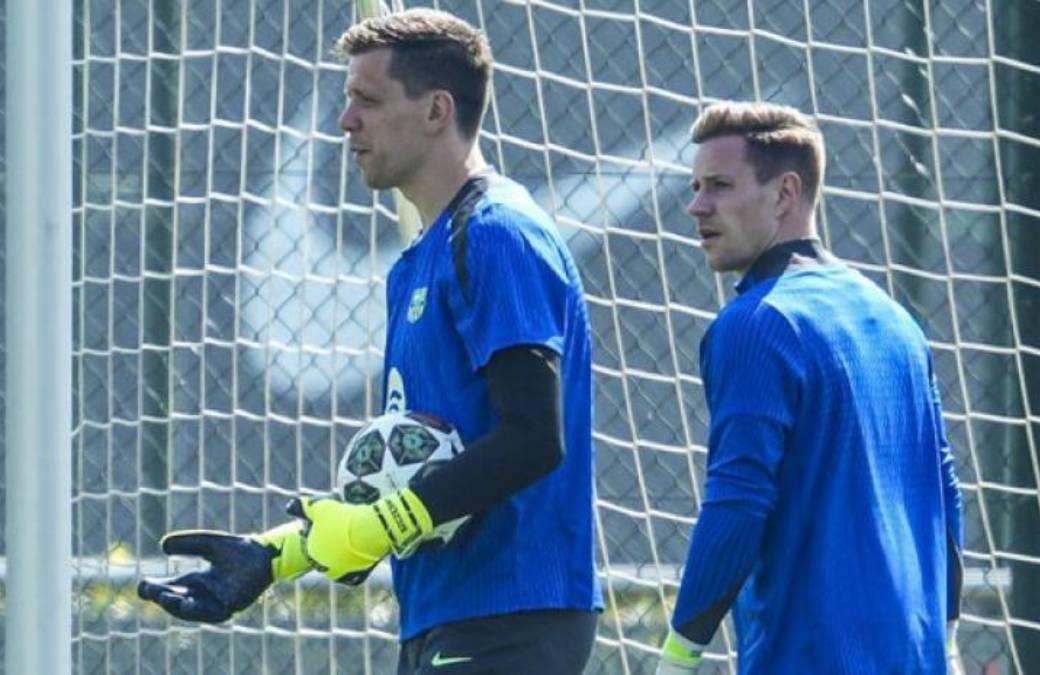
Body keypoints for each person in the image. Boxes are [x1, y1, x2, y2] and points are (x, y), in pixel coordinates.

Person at [138, 9, 602, 674]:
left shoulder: (499, 233)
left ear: (438, 110)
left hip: (512, 614)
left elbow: (534, 435)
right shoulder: (417, 259)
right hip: (446, 611)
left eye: (368, 100)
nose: (345, 121)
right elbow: (420, 464)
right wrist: (276, 555)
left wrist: (382, 524)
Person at [655, 102, 964, 674]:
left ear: (785, 193)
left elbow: (738, 504)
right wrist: (945, 642)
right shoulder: (895, 321)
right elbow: (945, 495)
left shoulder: (755, 325)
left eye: (719, 186)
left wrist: (677, 656)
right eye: (696, 186)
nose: (697, 206)